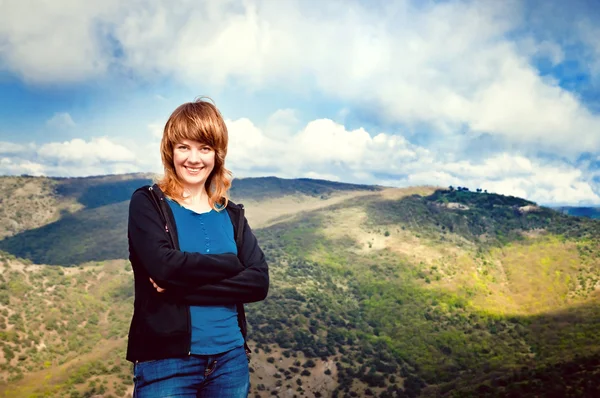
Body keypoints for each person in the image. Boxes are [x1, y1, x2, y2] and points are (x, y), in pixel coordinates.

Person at [126, 98, 269, 397]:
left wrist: (179, 288)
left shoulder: (231, 215)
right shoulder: (148, 203)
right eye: (184, 147)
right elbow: (164, 268)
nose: (194, 159)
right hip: (166, 364)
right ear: (170, 151)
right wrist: (230, 263)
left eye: (204, 148)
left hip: (230, 361)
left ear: (217, 155)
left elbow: (258, 282)